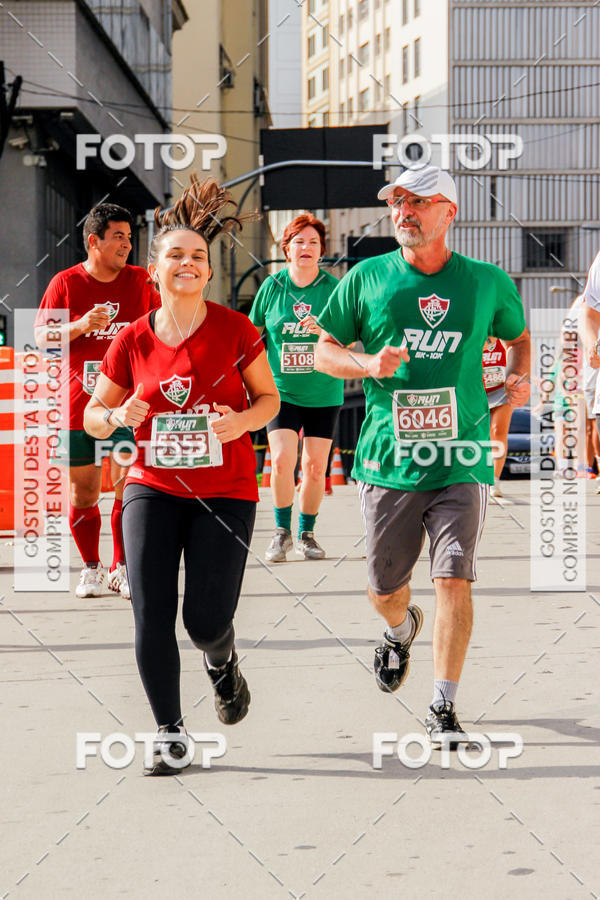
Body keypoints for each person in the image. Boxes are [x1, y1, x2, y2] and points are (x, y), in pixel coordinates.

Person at [314, 165, 530, 745]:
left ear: (449, 212)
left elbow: (519, 335)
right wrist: (364, 364)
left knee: (453, 577)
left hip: (462, 454)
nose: (404, 212)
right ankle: (398, 627)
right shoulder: (367, 277)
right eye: (398, 202)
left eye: (418, 202)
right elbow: (321, 351)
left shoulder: (485, 281)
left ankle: (442, 705)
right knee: (385, 588)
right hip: (389, 460)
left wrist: (516, 375)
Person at [84, 176, 279, 775]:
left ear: (208, 270)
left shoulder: (237, 330)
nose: (187, 263)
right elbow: (93, 416)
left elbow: (270, 401)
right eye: (175, 255)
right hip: (151, 485)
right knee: (150, 608)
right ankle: (169, 732)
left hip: (225, 490)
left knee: (203, 619)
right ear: (155, 268)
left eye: (197, 256)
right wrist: (117, 414)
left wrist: (240, 421)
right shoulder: (132, 339)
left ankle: (220, 660)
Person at [35, 204, 158, 600]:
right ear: (94, 241)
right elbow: (40, 337)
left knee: (128, 485)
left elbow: (165, 323)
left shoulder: (141, 281)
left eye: (129, 236)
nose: (127, 243)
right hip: (76, 405)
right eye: (118, 236)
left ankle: (121, 566)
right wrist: (81, 325)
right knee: (84, 493)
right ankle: (91, 568)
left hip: (128, 404)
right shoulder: (66, 283)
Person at [249, 214, 344, 562]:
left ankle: (307, 533)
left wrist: (323, 331)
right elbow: (250, 336)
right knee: (283, 459)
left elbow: (349, 340)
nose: (306, 248)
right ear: (286, 249)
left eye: (313, 242)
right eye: (299, 242)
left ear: (322, 251)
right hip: (281, 392)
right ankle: (281, 532)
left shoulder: (334, 290)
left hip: (324, 392)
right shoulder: (272, 287)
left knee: (316, 466)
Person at [482, 336, 513, 498]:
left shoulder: (506, 332)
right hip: (478, 388)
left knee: (498, 430)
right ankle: (479, 477)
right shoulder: (476, 328)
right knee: (480, 434)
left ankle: (494, 480)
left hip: (502, 388)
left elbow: (521, 350)